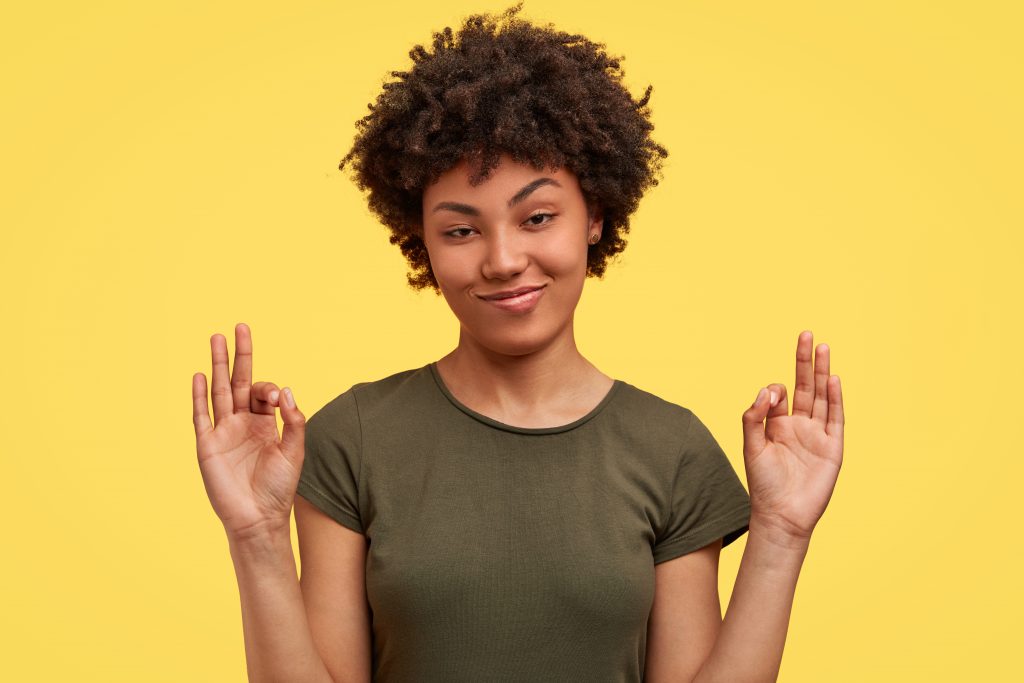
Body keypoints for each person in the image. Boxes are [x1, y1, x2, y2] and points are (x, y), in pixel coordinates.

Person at [191, 5, 845, 682]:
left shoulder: (672, 450)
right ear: (421, 241)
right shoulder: (352, 439)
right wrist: (255, 537)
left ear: (594, 216)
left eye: (537, 217)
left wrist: (782, 533)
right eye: (461, 230)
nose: (503, 260)